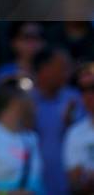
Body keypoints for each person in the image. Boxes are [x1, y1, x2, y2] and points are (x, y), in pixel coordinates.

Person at [31, 46, 84, 195]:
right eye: (62, 68)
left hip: (71, 185)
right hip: (34, 186)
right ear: (44, 69)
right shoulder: (25, 102)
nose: (67, 74)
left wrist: (71, 124)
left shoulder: (76, 99)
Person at [63, 63, 94, 194]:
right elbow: (75, 185)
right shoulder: (75, 133)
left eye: (93, 87)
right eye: (83, 89)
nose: (88, 95)